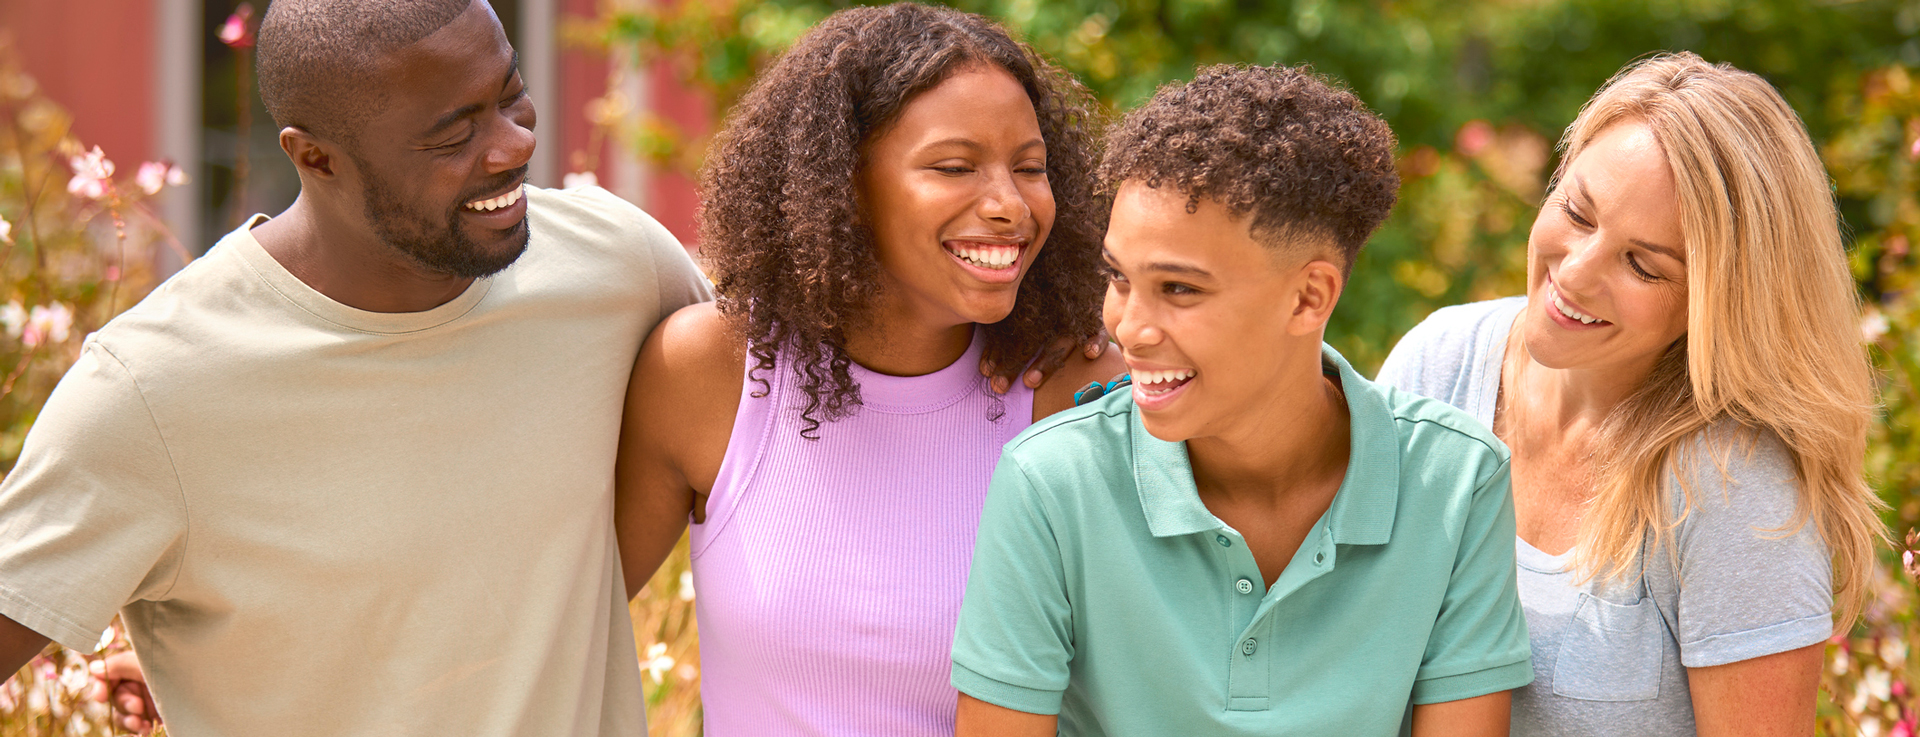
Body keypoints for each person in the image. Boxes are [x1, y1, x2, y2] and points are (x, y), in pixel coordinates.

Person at [0, 0, 713, 734]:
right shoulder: (150, 390)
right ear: (316, 157)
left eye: (510, 94)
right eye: (454, 135)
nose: (511, 145)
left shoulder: (617, 267)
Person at [950, 64, 1532, 737]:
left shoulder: (1458, 482)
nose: (1128, 327)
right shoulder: (1053, 482)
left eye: (1179, 289)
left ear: (1309, 296)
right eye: (1117, 277)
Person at [610, 4, 1122, 735]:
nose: (1010, 204)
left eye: (1031, 168)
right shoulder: (712, 373)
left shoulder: (1077, 388)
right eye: (955, 166)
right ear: (843, 182)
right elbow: (564, 629)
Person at [1375, 52, 1886, 736]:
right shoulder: (1436, 366)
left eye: (1643, 264)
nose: (1578, 274)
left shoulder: (1733, 489)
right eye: (1578, 212)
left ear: (1718, 301)